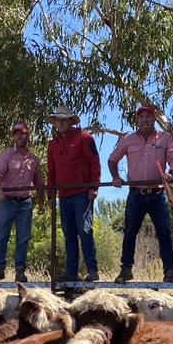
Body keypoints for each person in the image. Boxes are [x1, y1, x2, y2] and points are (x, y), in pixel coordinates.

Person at [108, 105, 173, 283]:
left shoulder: (166, 138)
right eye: (141, 117)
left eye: (148, 116)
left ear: (154, 119)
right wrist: (115, 177)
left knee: (164, 233)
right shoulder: (128, 139)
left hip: (158, 193)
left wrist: (171, 174)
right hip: (136, 194)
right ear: (137, 120)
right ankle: (126, 270)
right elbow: (112, 159)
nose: (145, 120)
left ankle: (170, 271)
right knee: (129, 232)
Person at [0, 122, 45, 283]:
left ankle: (20, 270)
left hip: (25, 203)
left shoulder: (34, 160)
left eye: (22, 133)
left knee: (23, 237)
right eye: (16, 134)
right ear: (13, 136)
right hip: (7, 201)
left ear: (27, 136)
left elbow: (39, 182)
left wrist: (41, 203)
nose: (19, 136)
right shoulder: (6, 156)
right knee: (1, 235)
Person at [46, 105, 100, 282]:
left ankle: (92, 269)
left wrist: (94, 187)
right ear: (55, 123)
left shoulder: (84, 137)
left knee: (84, 230)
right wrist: (50, 194)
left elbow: (94, 162)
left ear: (71, 121)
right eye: (58, 120)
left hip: (82, 192)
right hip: (63, 194)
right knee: (69, 233)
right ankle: (71, 272)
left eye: (64, 119)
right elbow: (51, 170)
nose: (61, 123)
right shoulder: (52, 144)